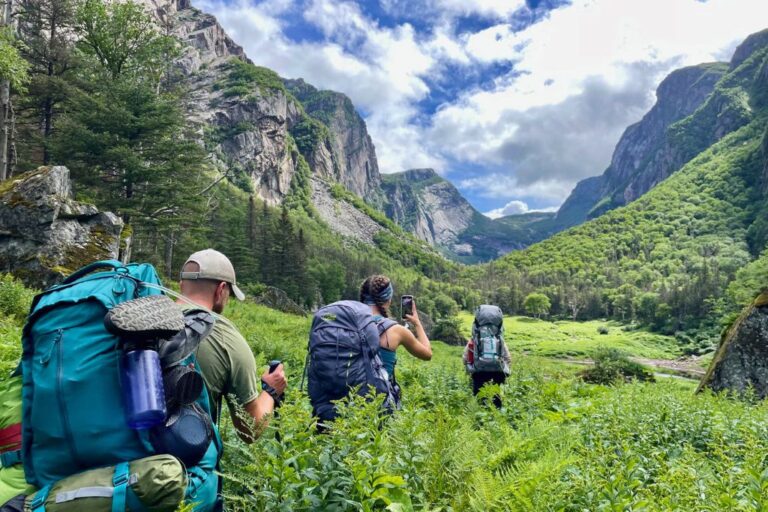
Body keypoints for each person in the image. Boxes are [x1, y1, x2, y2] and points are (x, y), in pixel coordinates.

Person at [176, 249, 287, 442]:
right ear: (220, 290)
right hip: (180, 465)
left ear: (181, 285)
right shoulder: (226, 337)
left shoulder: (140, 319)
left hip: (114, 459)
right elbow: (250, 430)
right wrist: (270, 391)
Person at [359, 275, 432, 399]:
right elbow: (427, 354)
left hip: (349, 399)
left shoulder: (349, 324)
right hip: (379, 402)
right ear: (388, 300)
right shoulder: (396, 330)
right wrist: (417, 323)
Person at [463, 304, 511, 408]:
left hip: (479, 372)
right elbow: (507, 357)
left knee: (480, 400)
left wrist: (469, 369)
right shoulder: (499, 339)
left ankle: (481, 421)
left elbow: (465, 357)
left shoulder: (475, 339)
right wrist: (506, 370)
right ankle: (496, 420)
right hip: (498, 373)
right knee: (497, 400)